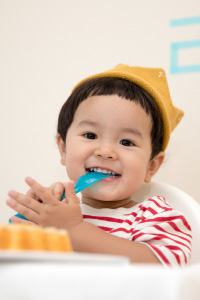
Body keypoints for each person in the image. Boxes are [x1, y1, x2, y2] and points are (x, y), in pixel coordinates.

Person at [6, 64, 192, 266]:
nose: (105, 151)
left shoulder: (156, 215)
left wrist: (73, 230)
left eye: (126, 142)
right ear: (64, 149)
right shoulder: (55, 213)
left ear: (152, 166)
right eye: (90, 135)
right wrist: (33, 224)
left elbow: (166, 269)